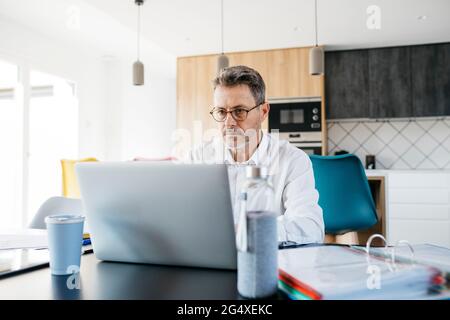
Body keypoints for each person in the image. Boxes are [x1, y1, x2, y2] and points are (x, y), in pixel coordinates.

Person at [187, 65, 324, 244]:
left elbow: (311, 229)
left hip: (265, 261)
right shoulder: (197, 158)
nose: (229, 123)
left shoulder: (292, 161)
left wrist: (249, 231)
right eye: (221, 112)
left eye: (239, 111)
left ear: (263, 112)